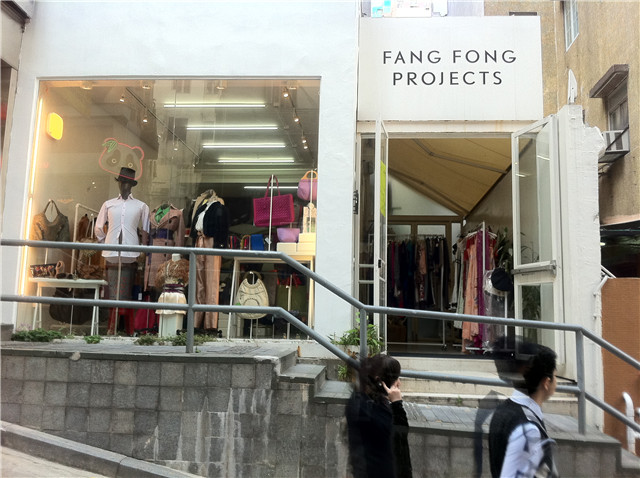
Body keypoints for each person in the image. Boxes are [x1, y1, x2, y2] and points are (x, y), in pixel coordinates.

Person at [488, 345, 559, 478]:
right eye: (555, 376)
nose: (556, 382)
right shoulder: (529, 428)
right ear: (546, 382)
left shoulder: (502, 410)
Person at [346, 354, 413, 478]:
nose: (399, 383)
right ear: (380, 382)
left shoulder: (361, 401)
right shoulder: (373, 411)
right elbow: (399, 440)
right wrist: (397, 404)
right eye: (396, 378)